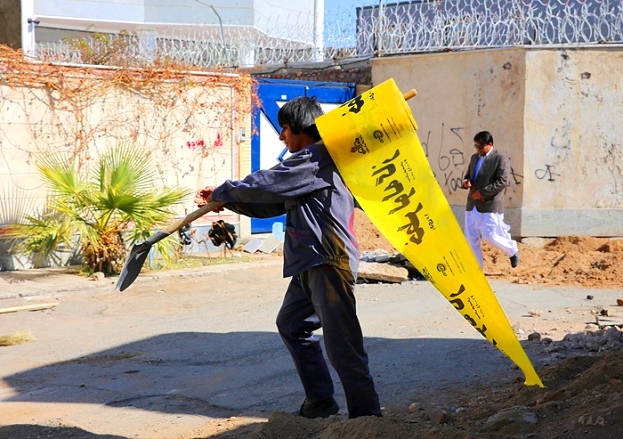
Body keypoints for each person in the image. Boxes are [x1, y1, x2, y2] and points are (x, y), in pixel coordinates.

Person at [194, 96, 382, 419]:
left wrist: (225, 191)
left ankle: (367, 420)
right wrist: (226, 201)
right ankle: (321, 401)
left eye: (284, 129)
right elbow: (271, 203)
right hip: (309, 261)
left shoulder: (315, 158)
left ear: (299, 129)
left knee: (342, 345)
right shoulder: (307, 166)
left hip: (327, 260)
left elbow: (269, 183)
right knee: (292, 324)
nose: (281, 136)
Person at [462, 131, 519, 269]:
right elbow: (469, 175)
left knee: (490, 235)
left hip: (489, 205)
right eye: (475, 146)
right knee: (471, 240)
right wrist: (466, 182)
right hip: (472, 205)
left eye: (480, 146)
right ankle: (476, 272)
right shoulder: (475, 157)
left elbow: (503, 181)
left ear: (490, 144)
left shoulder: (500, 158)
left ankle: (511, 250)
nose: (478, 149)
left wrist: (482, 193)